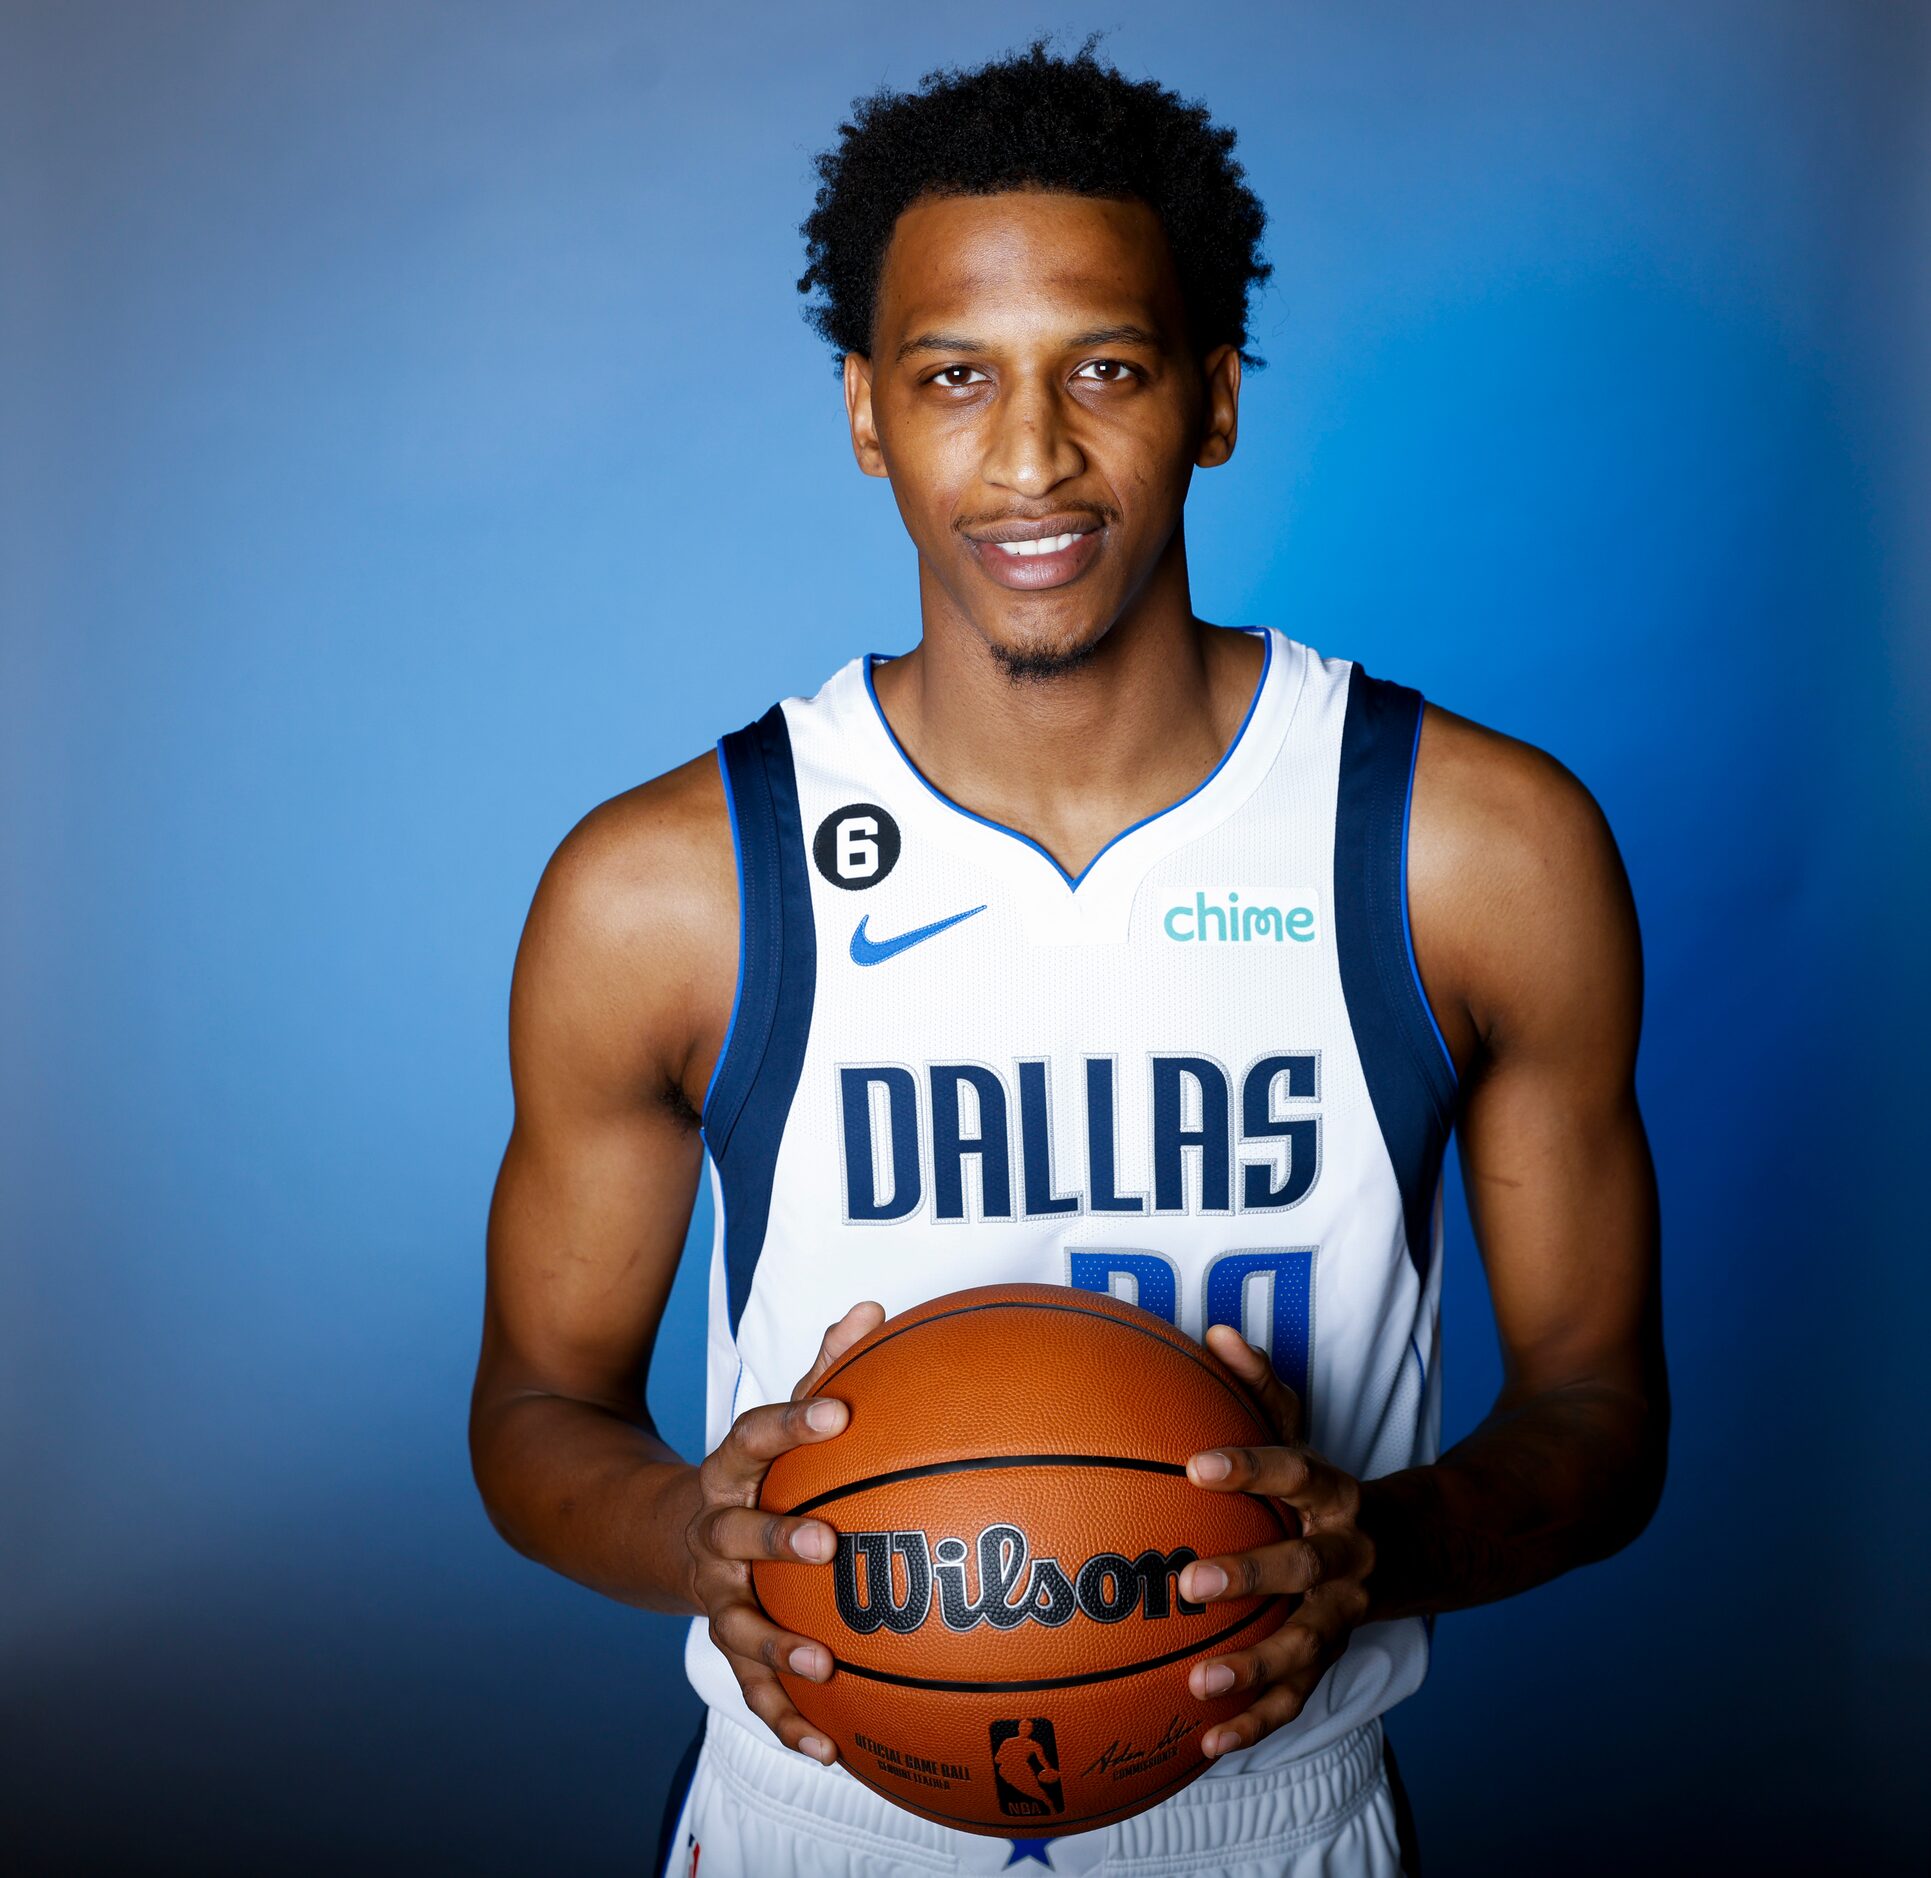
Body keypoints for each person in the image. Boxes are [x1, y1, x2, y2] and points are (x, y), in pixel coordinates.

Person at [469, 34, 1667, 1878]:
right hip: (819, 1817)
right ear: (867, 412)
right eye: (956, 379)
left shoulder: (1465, 850)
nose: (1032, 458)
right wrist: (694, 1541)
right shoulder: (674, 886)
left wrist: (1378, 1546)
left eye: (1104, 369)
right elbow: (537, 1410)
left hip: (1276, 1816)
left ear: (1214, 395)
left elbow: (1603, 1412)